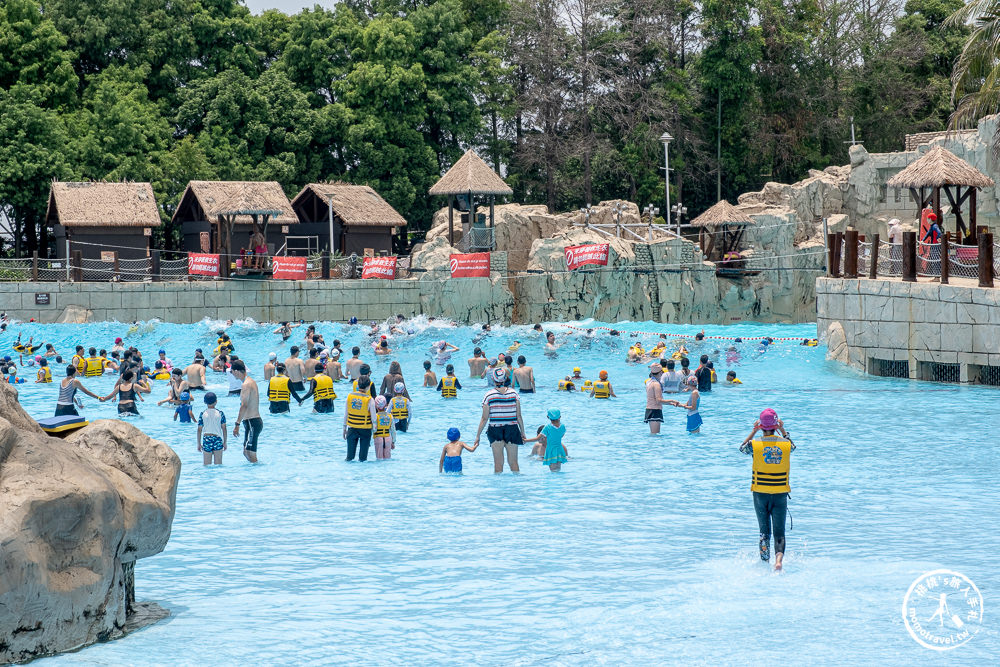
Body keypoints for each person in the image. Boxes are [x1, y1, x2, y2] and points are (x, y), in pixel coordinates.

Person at [739, 409, 795, 571]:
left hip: (760, 493)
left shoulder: (754, 445)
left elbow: (741, 448)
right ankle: (778, 561)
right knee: (779, 532)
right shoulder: (786, 445)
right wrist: (783, 429)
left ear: (761, 426)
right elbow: (793, 446)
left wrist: (753, 431)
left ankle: (764, 564)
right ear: (776, 426)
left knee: (764, 532)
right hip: (780, 494)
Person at [474, 368, 526, 473]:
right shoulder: (514, 394)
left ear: (493, 379)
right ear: (505, 378)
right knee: (513, 462)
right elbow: (518, 415)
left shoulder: (489, 395)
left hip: (495, 430)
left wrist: (477, 436)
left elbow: (484, 418)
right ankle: (517, 486)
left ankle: (498, 487)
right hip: (512, 429)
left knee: (498, 463)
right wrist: (523, 432)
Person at [231, 360, 262, 463]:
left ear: (236, 371)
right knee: (246, 452)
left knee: (249, 453)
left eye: (232, 372)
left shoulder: (246, 384)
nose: (232, 374)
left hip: (252, 421)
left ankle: (258, 475)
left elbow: (244, 405)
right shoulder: (250, 381)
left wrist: (237, 424)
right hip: (252, 422)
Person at [343, 376, 378, 461]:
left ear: (358, 385)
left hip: (351, 428)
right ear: (368, 387)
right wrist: (375, 431)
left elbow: (346, 414)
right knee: (363, 458)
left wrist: (344, 428)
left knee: (349, 458)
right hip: (365, 430)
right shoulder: (370, 400)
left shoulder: (350, 397)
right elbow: (374, 418)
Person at [197, 392, 227, 465]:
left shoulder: (202, 414)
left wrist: (198, 443)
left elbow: (199, 430)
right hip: (217, 438)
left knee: (206, 465)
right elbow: (224, 429)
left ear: (205, 402)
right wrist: (225, 442)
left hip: (207, 438)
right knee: (219, 464)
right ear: (216, 401)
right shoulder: (220, 413)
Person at [645, 364, 672, 435]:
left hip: (650, 409)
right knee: (655, 436)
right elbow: (659, 400)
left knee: (654, 435)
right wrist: (671, 401)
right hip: (655, 410)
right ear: (660, 373)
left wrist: (671, 403)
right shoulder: (656, 384)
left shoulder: (649, 382)